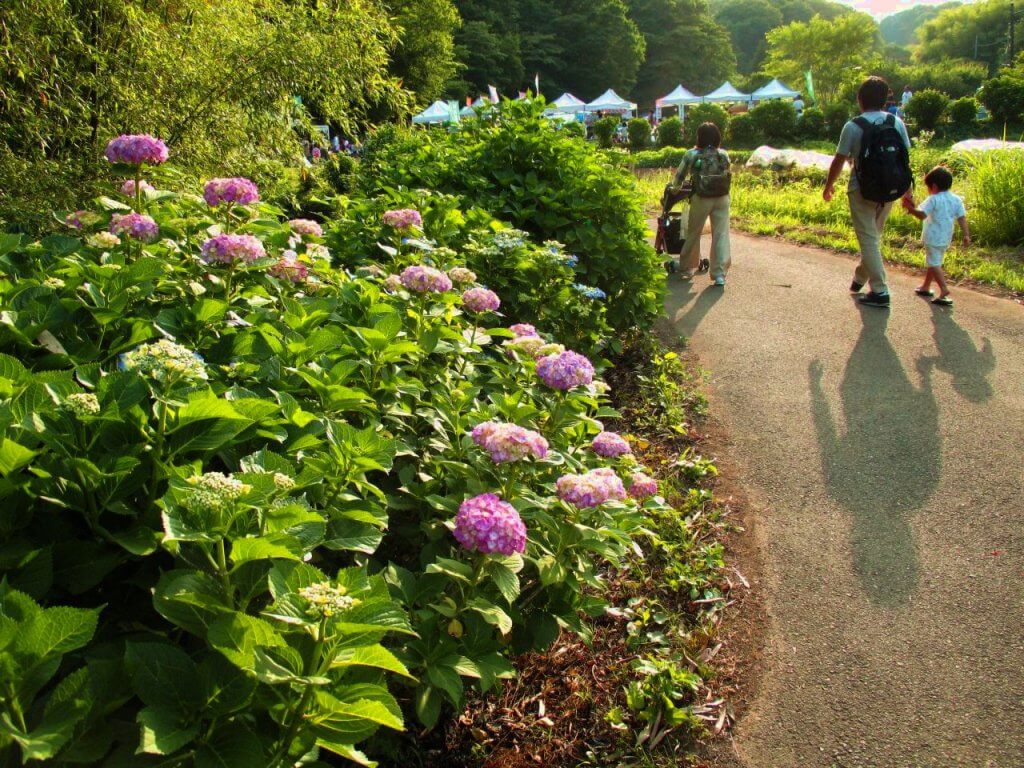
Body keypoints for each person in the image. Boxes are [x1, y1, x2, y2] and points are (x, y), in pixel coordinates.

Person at [823, 76, 912, 308]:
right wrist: (908, 192)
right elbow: (904, 160)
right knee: (873, 237)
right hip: (890, 189)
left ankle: (880, 291)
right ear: (885, 100)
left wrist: (828, 185)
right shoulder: (896, 123)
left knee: (868, 238)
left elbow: (839, 160)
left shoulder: (853, 126)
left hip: (861, 190)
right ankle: (859, 279)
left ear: (859, 99)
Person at [670, 122, 732, 286]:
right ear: (718, 137)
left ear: (699, 137)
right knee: (721, 234)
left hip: (701, 197)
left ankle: (688, 267)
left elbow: (680, 176)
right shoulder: (723, 154)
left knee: (694, 233)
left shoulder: (691, 154)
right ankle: (719, 274)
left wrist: (674, 190)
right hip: (722, 198)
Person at [901, 166, 970, 307]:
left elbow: (922, 215)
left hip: (932, 237)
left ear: (933, 186)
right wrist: (966, 235)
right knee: (935, 261)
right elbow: (962, 217)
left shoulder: (933, 199)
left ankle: (944, 289)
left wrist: (910, 209)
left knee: (933, 263)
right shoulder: (956, 199)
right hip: (945, 237)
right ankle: (926, 286)